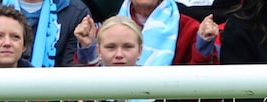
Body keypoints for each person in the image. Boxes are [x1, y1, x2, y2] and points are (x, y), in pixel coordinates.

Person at [71, 0, 218, 65]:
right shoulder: (107, 29)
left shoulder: (189, 27)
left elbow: (201, 91)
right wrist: (87, 47)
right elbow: (88, 87)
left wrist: (204, 45)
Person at [0, 0, 92, 68]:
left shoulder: (76, 12)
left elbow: (72, 76)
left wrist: (86, 50)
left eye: (15, 37)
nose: (7, 43)